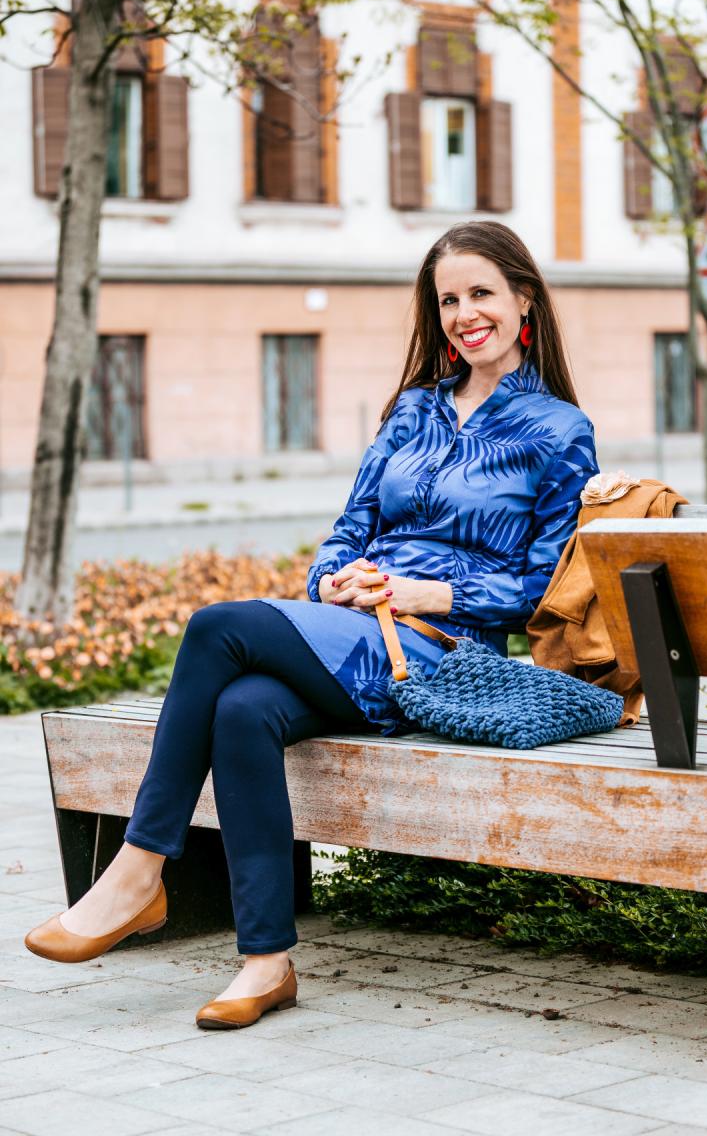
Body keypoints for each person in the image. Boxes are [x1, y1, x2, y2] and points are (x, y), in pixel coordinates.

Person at [24, 220, 599, 1030]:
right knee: (242, 709)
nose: (465, 314)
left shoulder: (560, 431)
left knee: (216, 627)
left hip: (442, 656)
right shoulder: (413, 410)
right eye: (448, 300)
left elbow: (538, 588)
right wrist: (332, 579)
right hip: (354, 631)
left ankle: (138, 869)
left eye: (481, 293)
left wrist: (417, 591)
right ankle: (267, 964)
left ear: (524, 299)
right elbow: (347, 529)